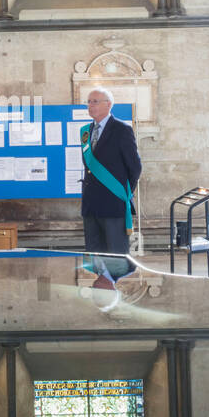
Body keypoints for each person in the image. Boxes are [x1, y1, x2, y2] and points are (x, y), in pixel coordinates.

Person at [80, 87, 142, 287]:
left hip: (113, 201)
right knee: (94, 246)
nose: (91, 105)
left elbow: (134, 167)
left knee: (115, 249)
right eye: (89, 102)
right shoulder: (86, 132)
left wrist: (123, 194)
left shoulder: (122, 130)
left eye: (95, 101)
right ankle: (101, 276)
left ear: (108, 104)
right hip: (91, 202)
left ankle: (112, 279)